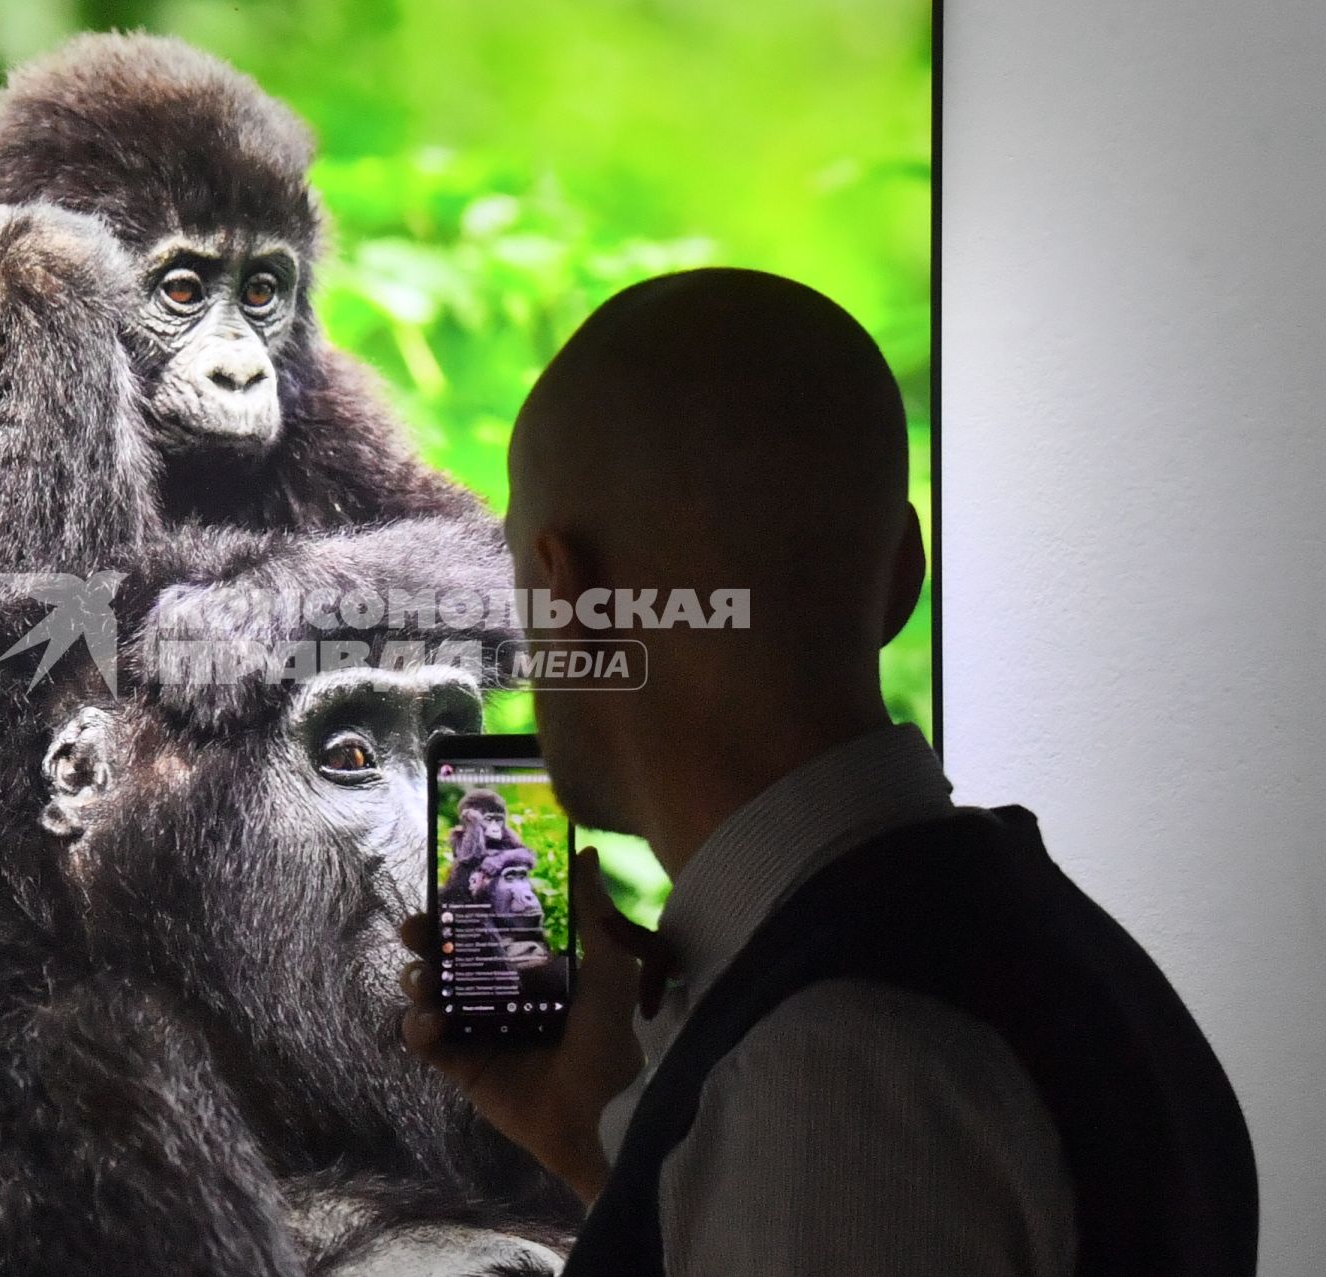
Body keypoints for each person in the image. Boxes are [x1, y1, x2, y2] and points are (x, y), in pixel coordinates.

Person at [399, 269, 1257, 1275]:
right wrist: (612, 1152)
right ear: (904, 574)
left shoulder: (822, 1070)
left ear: (570, 590)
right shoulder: (1068, 953)